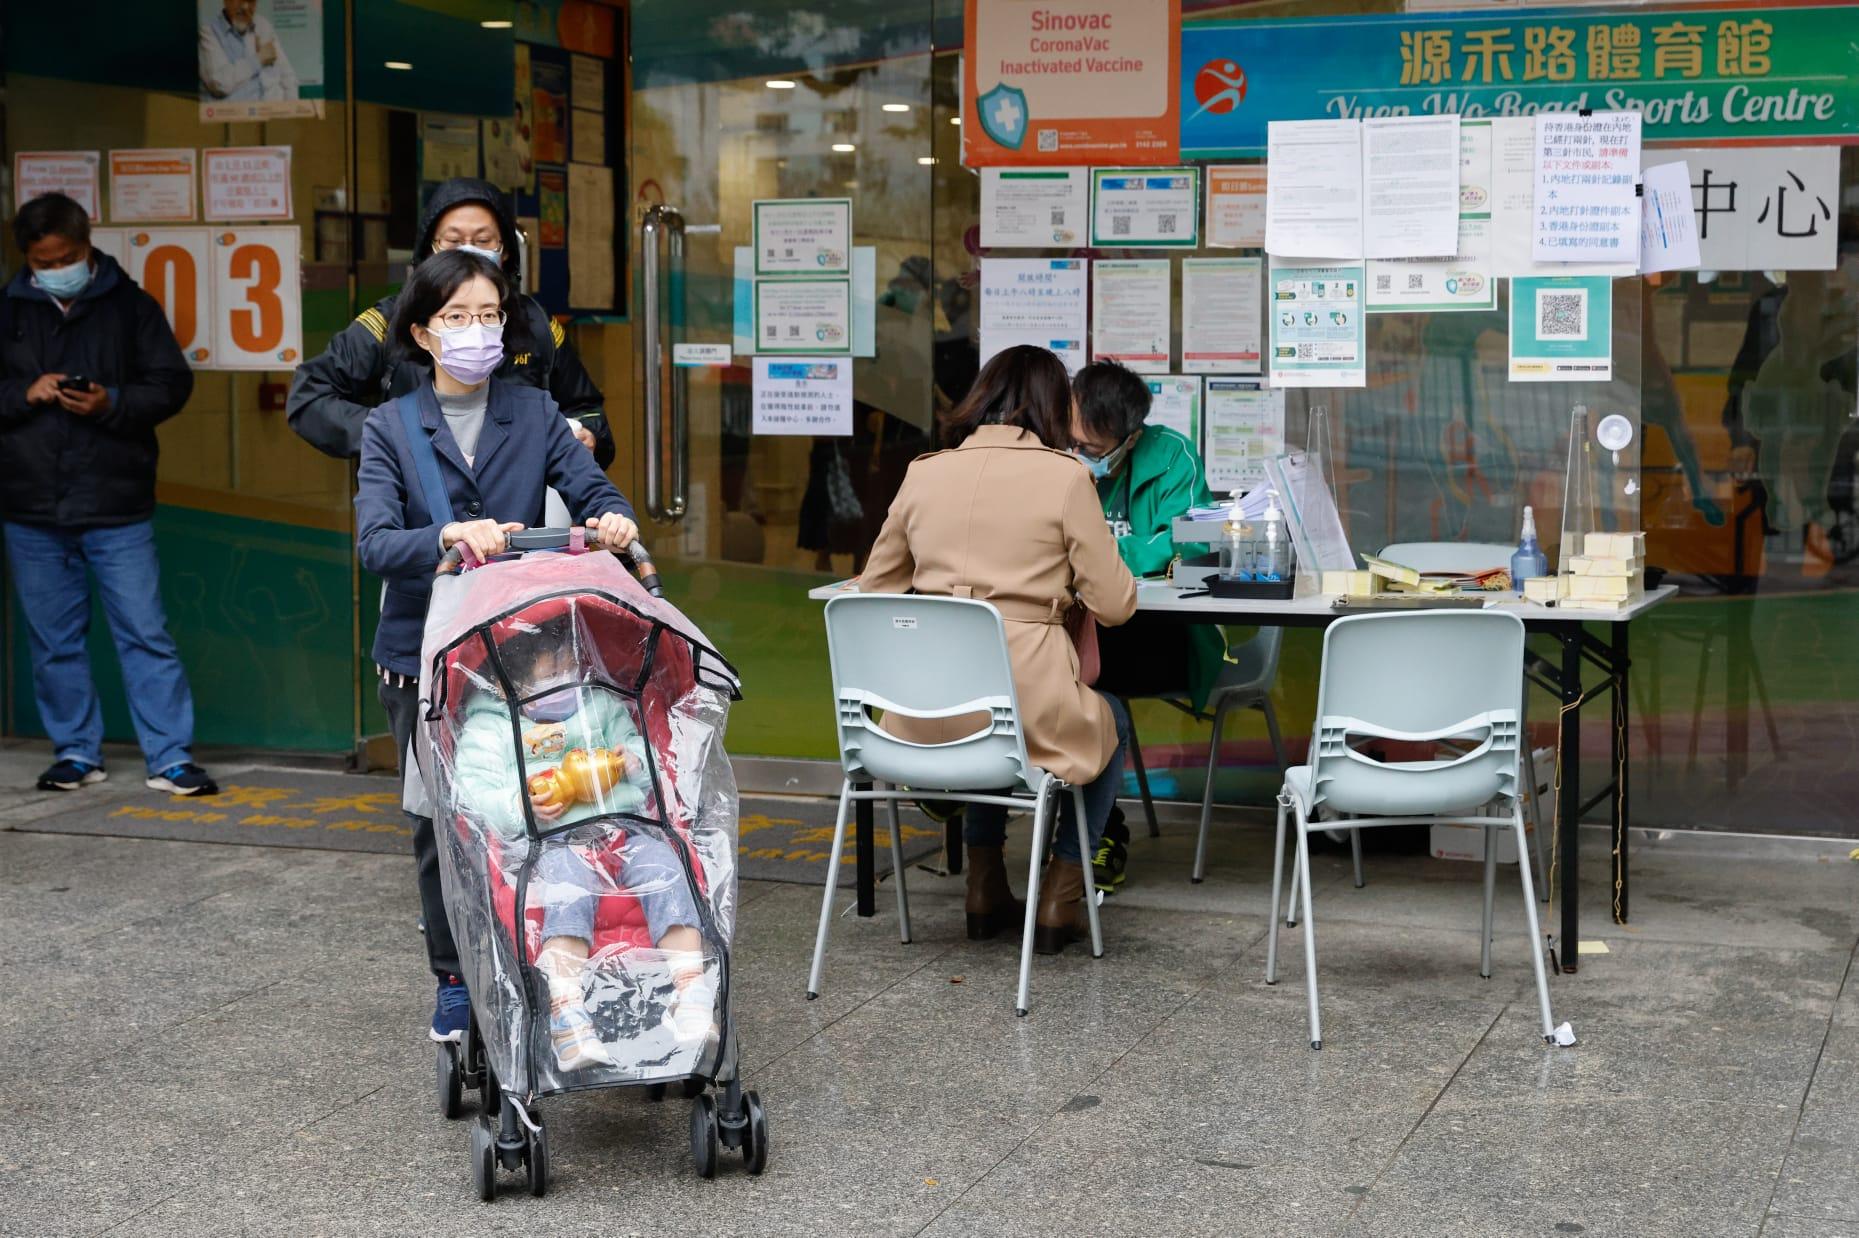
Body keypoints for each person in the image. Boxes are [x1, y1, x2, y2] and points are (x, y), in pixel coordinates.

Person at [354, 248, 639, 1045]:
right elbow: (376, 542)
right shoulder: (390, 426)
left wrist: (613, 520)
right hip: (423, 658)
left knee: (542, 806)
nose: (475, 331)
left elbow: (592, 492)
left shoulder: (537, 410)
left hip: (525, 656)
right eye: (456, 317)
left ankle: (545, 958)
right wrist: (446, 533)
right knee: (438, 824)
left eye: (488, 315)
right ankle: (453, 977)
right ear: (422, 330)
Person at [861, 345, 1137, 955]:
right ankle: (1062, 892)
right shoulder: (1066, 478)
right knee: (1111, 717)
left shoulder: (923, 471)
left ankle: (984, 884)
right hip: (1028, 710)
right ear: (1053, 407)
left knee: (986, 702)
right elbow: (1116, 605)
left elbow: (873, 592)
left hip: (920, 718)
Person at [0, 193, 218, 797]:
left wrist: (112, 402)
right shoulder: (9, 309)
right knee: (53, 639)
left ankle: (170, 757)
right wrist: (25, 393)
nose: (56, 266)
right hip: (31, 505)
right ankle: (75, 751)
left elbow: (171, 384)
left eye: (66, 256)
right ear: (28, 258)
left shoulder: (130, 305)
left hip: (116, 503)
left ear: (86, 243)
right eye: (44, 260)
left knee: (144, 632)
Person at [452, 623, 715, 1066]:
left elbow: (645, 754)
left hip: (624, 831)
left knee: (668, 868)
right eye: (552, 670)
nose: (566, 677)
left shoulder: (599, 706)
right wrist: (522, 805)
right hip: (549, 846)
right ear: (510, 681)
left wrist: (633, 762)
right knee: (567, 890)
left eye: (571, 666)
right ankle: (567, 1013)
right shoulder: (493, 728)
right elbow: (473, 793)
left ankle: (690, 992)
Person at [288, 177, 614, 469]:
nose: (468, 252)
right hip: (416, 522)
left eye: (483, 240)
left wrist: (590, 437)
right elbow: (310, 398)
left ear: (506, 252)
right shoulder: (392, 322)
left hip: (519, 523)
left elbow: (586, 408)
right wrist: (392, 433)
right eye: (453, 241)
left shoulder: (534, 324)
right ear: (430, 250)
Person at [1068, 361, 1224, 892]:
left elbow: (1191, 542)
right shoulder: (1053, 457)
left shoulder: (1172, 455)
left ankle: (1095, 836)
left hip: (1161, 638)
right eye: (1075, 443)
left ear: (1131, 437)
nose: (1083, 456)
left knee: (1086, 677)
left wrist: (1096, 556)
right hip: (1083, 632)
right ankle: (1076, 834)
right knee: (1046, 662)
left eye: (1094, 448)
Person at [198, 0, 300, 104]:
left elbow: (288, 76)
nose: (245, 6)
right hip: (236, 117)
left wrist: (290, 111)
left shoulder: (262, 25)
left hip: (274, 112)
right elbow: (219, 84)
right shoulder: (208, 32)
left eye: (251, 1)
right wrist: (258, 59)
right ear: (226, 1)